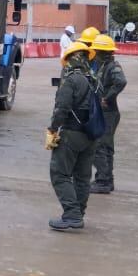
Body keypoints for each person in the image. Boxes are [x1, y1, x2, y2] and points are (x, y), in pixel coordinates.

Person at [46, 42, 96, 231]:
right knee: (82, 177)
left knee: (59, 173)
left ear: (70, 60)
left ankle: (72, 214)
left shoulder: (71, 79)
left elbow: (62, 109)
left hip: (72, 134)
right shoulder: (93, 79)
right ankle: (79, 213)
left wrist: (52, 129)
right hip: (91, 135)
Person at [88, 34, 126, 194]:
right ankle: (106, 180)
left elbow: (121, 82)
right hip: (105, 112)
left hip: (108, 113)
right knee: (106, 147)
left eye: (96, 50)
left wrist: (107, 97)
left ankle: (103, 181)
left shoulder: (112, 66)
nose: (94, 53)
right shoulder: (103, 66)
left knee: (100, 147)